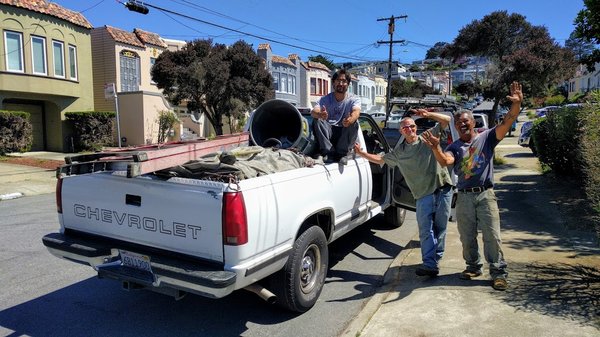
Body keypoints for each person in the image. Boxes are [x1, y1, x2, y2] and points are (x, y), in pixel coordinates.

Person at [422, 81, 523, 291]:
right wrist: (435, 148)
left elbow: (508, 121)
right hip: (465, 196)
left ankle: (498, 272)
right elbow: (445, 161)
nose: (462, 125)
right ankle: (473, 267)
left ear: (473, 122)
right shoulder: (454, 146)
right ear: (456, 127)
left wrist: (516, 105)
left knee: (492, 236)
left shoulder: (486, 137)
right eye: (459, 123)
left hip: (485, 195)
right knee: (467, 236)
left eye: (466, 121)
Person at [353, 109, 454, 277]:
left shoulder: (427, 137)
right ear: (401, 131)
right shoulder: (399, 152)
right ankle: (430, 264)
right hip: (423, 195)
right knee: (426, 230)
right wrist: (362, 154)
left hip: (442, 189)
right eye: (406, 128)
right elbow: (381, 160)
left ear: (416, 128)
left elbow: (447, 120)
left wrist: (428, 114)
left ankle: (436, 258)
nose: (410, 130)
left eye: (412, 126)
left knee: (440, 228)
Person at [311, 69, 361, 165]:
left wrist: (350, 120)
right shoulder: (325, 99)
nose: (341, 83)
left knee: (354, 123)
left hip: (343, 134)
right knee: (317, 120)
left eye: (344, 81)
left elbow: (356, 112)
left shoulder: (354, 99)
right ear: (333, 82)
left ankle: (342, 154)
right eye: (338, 80)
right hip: (329, 134)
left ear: (348, 84)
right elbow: (314, 111)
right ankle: (328, 153)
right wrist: (320, 114)